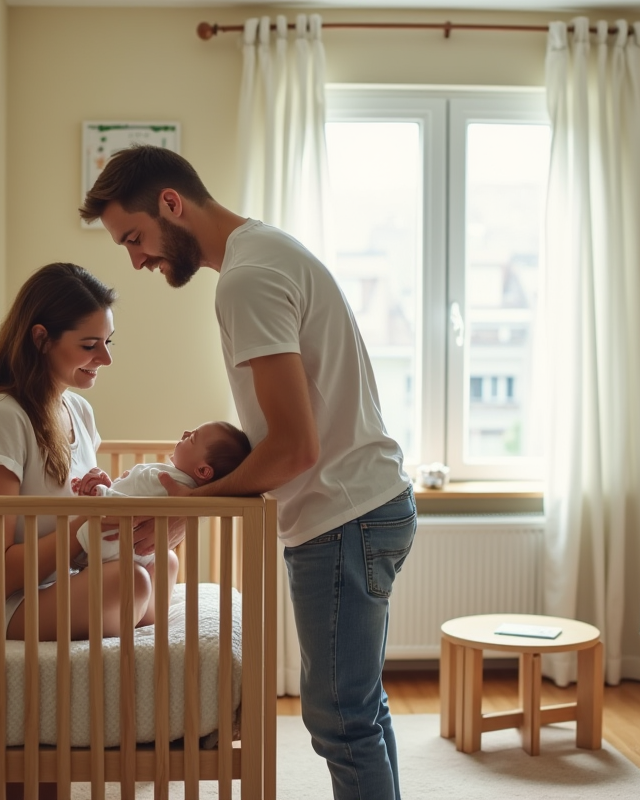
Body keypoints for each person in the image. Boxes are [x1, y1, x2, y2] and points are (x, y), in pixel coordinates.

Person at [80, 146, 417, 800]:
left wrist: (189, 505)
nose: (137, 260)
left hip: (342, 516)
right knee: (360, 709)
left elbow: (293, 449)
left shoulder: (247, 279)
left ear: (172, 204)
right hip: (365, 505)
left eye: (135, 238)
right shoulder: (264, 252)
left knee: (340, 719)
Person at [0, 262, 179, 643]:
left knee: (163, 562)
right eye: (89, 345)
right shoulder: (1, 417)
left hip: (66, 580)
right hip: (11, 603)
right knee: (130, 582)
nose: (106, 358)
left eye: (108, 342)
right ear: (41, 339)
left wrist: (104, 505)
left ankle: (121, 625)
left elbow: (81, 533)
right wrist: (87, 524)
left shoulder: (78, 411)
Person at [69, 421, 251, 572]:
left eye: (192, 438)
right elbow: (133, 498)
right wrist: (112, 486)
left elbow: (127, 506)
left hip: (108, 546)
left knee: (167, 561)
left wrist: (100, 492)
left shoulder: (166, 481)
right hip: (137, 555)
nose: (185, 433)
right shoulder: (181, 486)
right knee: (169, 561)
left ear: (203, 471)